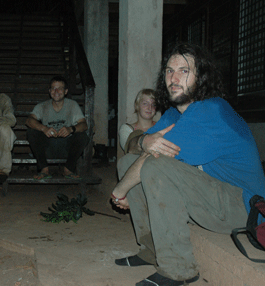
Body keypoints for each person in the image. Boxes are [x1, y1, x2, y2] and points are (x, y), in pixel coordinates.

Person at [111, 43, 265, 286]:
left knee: (155, 165)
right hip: (210, 198)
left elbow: (154, 159)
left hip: (243, 207)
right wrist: (144, 140)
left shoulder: (211, 110)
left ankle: (178, 270)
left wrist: (119, 192)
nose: (174, 78)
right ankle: (151, 249)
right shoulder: (175, 113)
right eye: (169, 71)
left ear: (201, 77)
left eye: (184, 71)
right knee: (130, 162)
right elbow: (133, 147)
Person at [25, 76, 89, 179]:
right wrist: (44, 128)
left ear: (66, 91)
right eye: (53, 88)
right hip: (48, 147)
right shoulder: (42, 106)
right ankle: (44, 169)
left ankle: (68, 169)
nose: (56, 91)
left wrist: (70, 129)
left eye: (60, 88)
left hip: (66, 147)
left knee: (82, 136)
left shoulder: (72, 105)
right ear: (49, 91)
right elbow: (29, 120)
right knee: (31, 132)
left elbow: (84, 125)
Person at [118, 89, 156, 154]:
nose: (150, 108)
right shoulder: (126, 129)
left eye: (153, 104)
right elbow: (129, 150)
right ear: (137, 106)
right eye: (145, 103)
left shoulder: (162, 126)